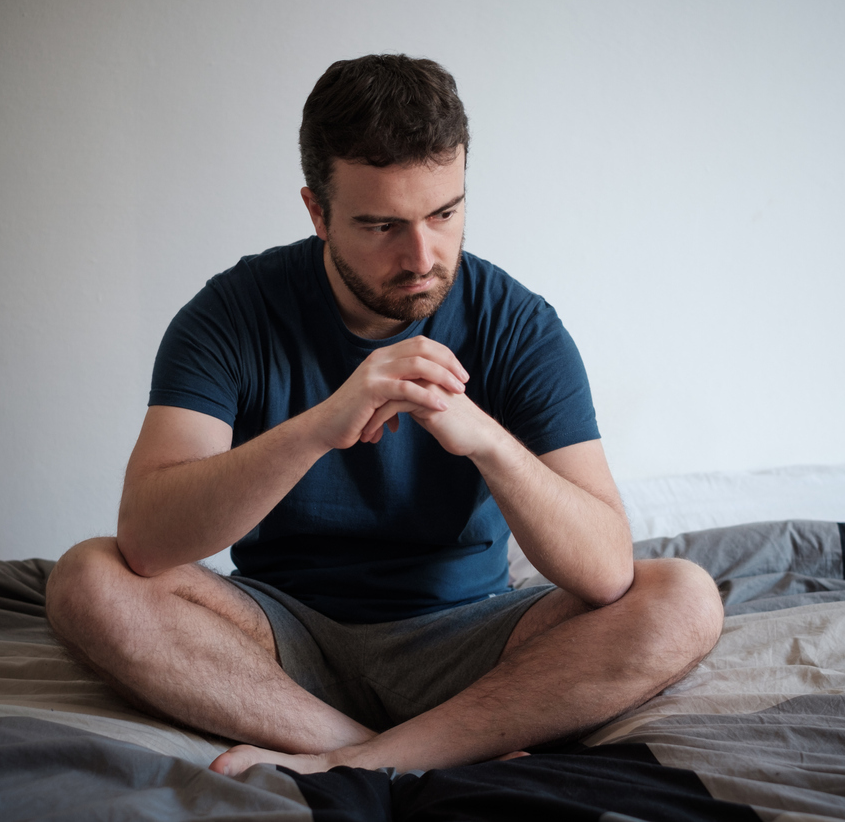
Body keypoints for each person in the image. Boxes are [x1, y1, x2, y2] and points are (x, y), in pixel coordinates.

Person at [45, 54, 723, 777]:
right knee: (86, 577)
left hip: (470, 636)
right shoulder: (230, 314)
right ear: (317, 212)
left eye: (444, 213)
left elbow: (606, 569)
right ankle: (362, 747)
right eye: (381, 226)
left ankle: (377, 756)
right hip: (278, 636)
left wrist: (488, 442)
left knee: (684, 598)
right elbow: (147, 541)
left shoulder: (518, 324)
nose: (422, 256)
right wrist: (319, 427)